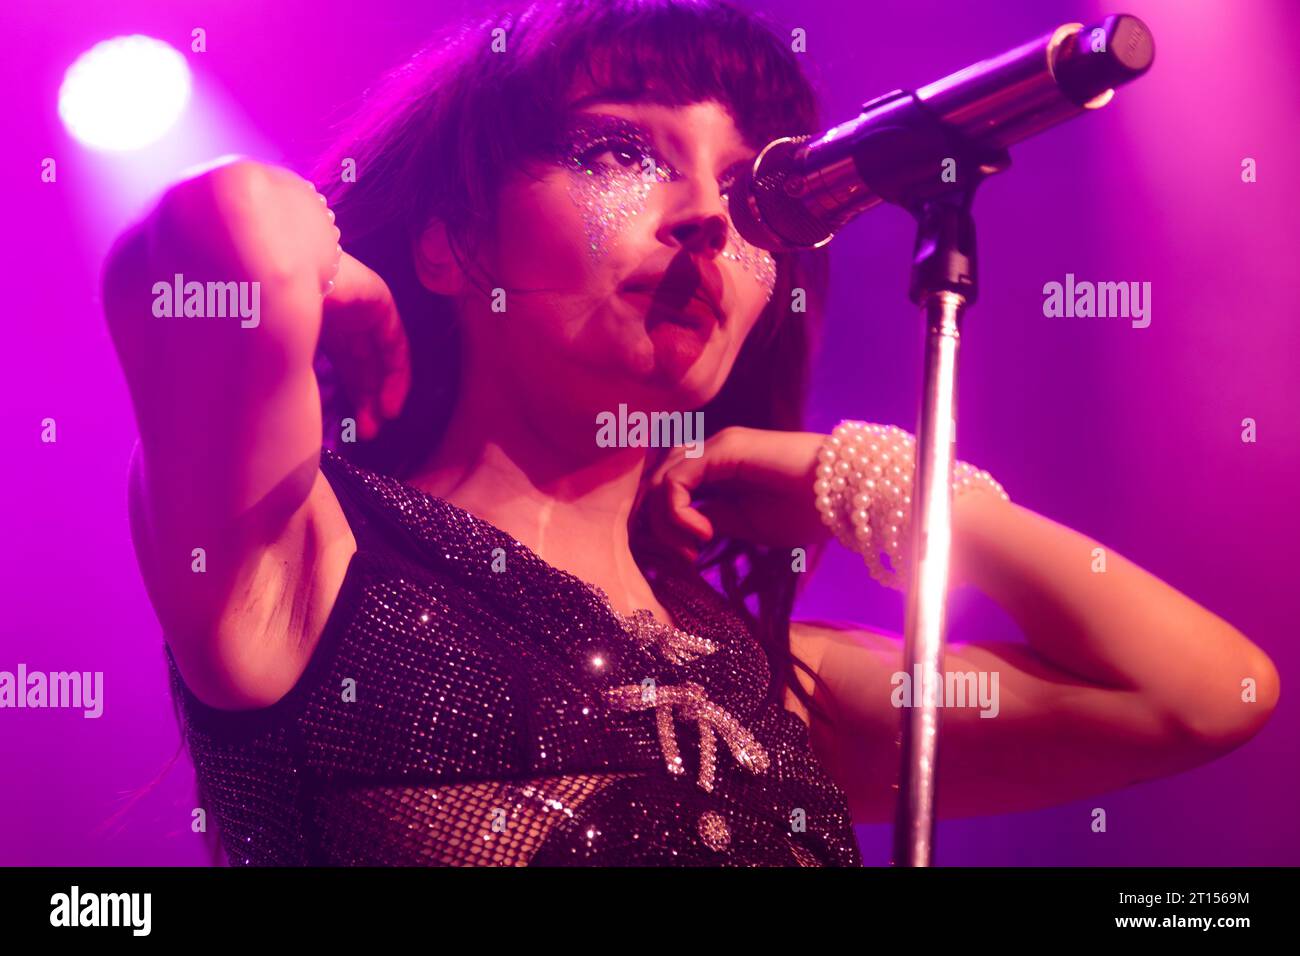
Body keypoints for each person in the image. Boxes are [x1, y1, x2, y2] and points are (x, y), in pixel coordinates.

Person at [101, 0, 1278, 866]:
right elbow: (233, 236)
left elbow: (1208, 689)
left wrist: (844, 471)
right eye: (621, 152)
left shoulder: (766, 686)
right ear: (453, 240)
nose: (711, 216)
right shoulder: (308, 559)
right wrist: (334, 274)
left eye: (750, 184)